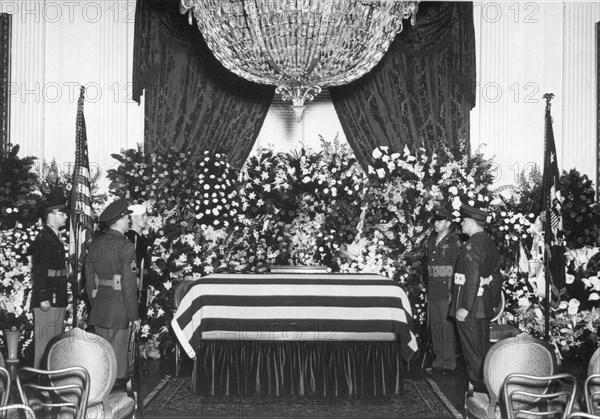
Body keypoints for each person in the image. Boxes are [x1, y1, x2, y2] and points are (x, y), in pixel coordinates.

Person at [85, 198, 140, 383]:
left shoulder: (95, 244)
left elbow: (89, 281)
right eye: (127, 219)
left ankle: (99, 396)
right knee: (117, 364)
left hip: (100, 307)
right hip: (120, 310)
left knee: (101, 360)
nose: (129, 222)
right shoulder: (126, 246)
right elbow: (129, 285)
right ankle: (117, 402)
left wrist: (97, 300)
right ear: (119, 220)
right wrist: (134, 316)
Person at [449, 203, 502, 391]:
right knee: (481, 349)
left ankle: (483, 393)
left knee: (473, 354)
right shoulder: (489, 242)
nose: (461, 224)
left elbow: (472, 277)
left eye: (463, 221)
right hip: (482, 306)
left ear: (471, 222)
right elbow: (496, 276)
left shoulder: (472, 245)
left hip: (470, 308)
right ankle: (490, 389)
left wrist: (465, 306)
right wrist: (492, 303)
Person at [29, 199, 69, 368]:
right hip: (48, 297)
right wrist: (43, 296)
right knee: (45, 341)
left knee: (54, 339)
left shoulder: (52, 236)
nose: (66, 217)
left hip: (56, 294)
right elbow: (39, 270)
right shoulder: (44, 239)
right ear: (51, 215)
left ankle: (51, 376)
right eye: (62, 214)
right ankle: (43, 379)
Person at [425, 207, 461, 375]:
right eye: (435, 221)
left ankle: (448, 363)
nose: (436, 224)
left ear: (448, 222)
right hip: (433, 289)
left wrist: (454, 291)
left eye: (439, 221)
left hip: (447, 290)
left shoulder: (453, 241)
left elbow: (456, 267)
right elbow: (429, 268)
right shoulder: (431, 241)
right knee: (436, 326)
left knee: (447, 328)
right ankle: (438, 360)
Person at [125, 204, 151, 319]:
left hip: (143, 281)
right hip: (134, 281)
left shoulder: (143, 238)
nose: (146, 219)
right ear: (133, 217)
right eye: (143, 216)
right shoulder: (130, 236)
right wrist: (134, 275)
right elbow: (131, 260)